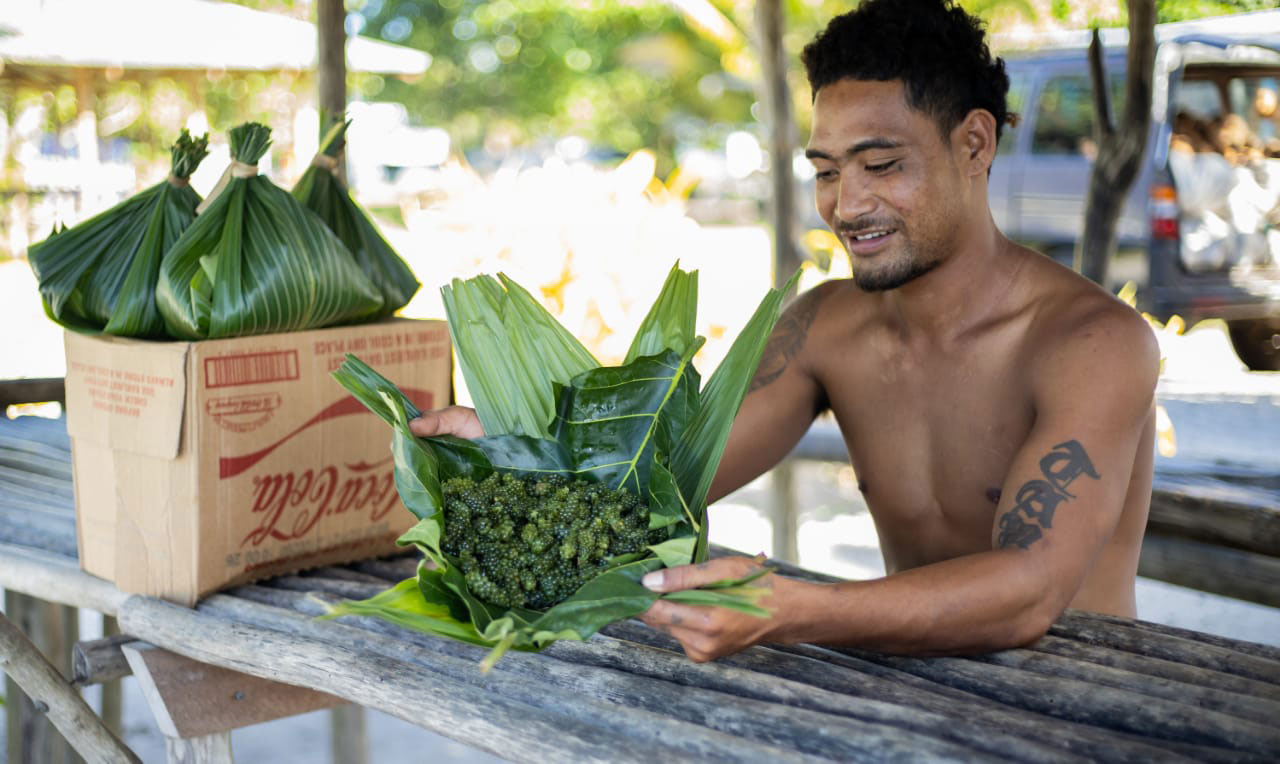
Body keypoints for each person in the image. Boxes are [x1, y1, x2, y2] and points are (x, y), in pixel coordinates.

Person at [411, 0, 1158, 662]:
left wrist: (798, 612)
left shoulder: (1094, 342)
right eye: (828, 171)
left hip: (1090, 701)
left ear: (974, 146)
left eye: (883, 164)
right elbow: (656, 479)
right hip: (911, 693)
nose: (847, 204)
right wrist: (511, 443)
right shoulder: (828, 325)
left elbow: (1031, 592)